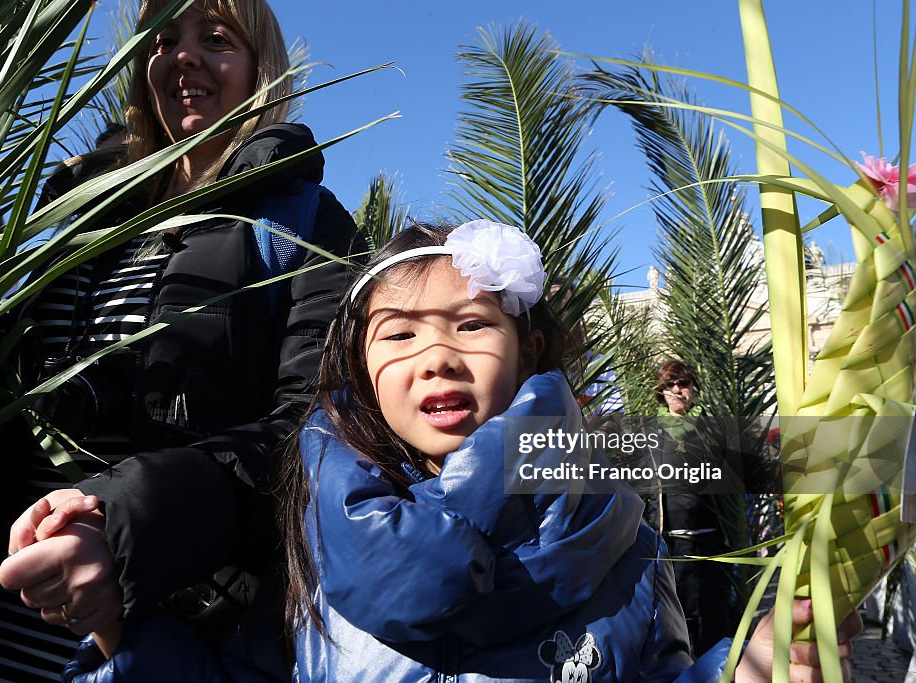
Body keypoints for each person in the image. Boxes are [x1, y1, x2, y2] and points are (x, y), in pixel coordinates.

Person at [0, 0, 362, 679]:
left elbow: (311, 441)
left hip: (157, 642)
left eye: (217, 37)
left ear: (261, 65)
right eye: (164, 38)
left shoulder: (304, 222)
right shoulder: (80, 216)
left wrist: (122, 525)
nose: (184, 56)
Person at [276, 221, 859, 682]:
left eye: (473, 326)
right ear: (361, 365)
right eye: (401, 334)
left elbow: (818, 455)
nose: (436, 357)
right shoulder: (310, 525)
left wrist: (744, 673)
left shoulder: (622, 539)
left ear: (528, 353)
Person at [647, 360, 746, 657]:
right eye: (669, 384)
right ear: (661, 392)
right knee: (674, 620)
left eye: (684, 383)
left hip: (709, 543)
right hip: (667, 545)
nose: (677, 390)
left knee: (712, 617)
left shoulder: (712, 431)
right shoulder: (647, 433)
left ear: (694, 390)